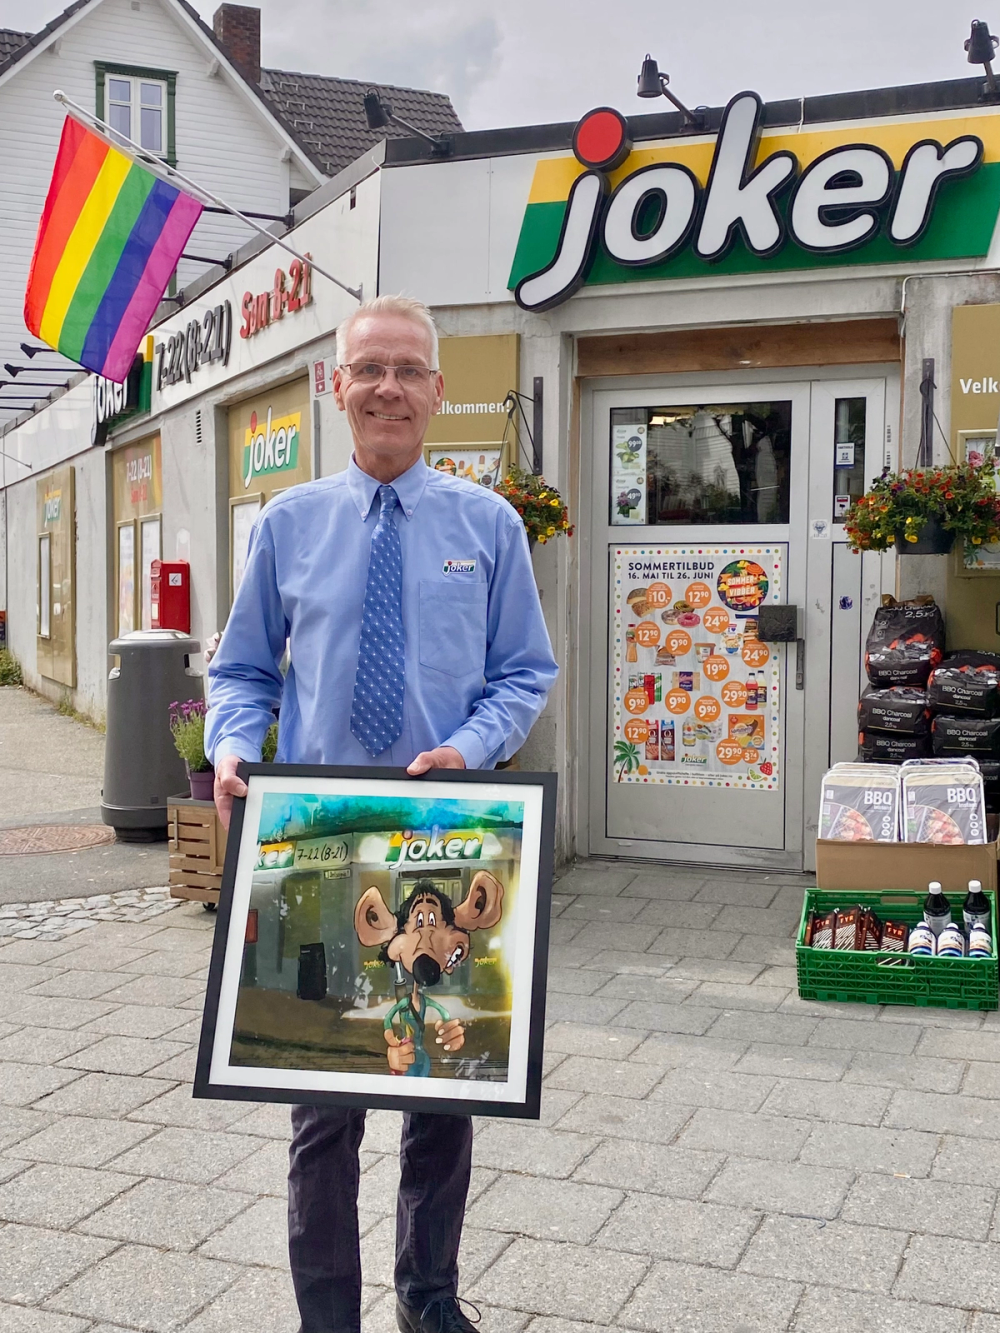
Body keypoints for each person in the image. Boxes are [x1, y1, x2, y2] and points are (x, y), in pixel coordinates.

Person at [205, 294, 558, 1333]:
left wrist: (473, 745)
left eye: (408, 370)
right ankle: (327, 1316)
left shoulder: (488, 526)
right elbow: (241, 672)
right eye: (369, 369)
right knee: (323, 1109)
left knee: (445, 1099)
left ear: (439, 391)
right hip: (320, 846)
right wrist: (232, 748)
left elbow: (523, 672)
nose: (389, 388)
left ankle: (427, 1295)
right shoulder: (289, 524)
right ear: (337, 386)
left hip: (448, 840)